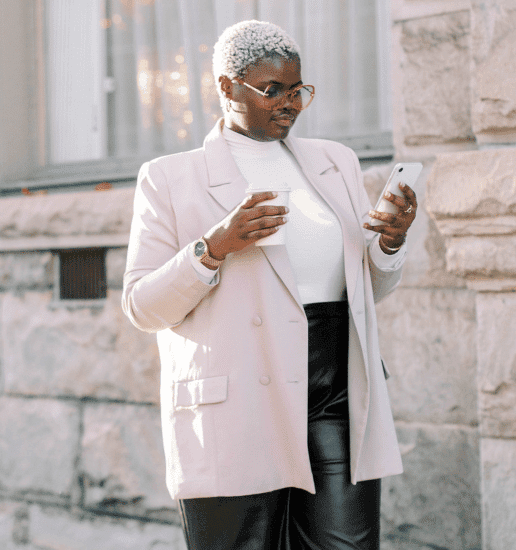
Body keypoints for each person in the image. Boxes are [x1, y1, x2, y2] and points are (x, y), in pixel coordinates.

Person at [123, 20, 417, 550]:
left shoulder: (336, 163)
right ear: (227, 86)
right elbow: (142, 307)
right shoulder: (169, 178)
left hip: (335, 389)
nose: (290, 103)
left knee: (345, 543)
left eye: (298, 89)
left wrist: (389, 245)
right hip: (237, 395)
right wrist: (213, 248)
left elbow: (360, 291)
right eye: (272, 90)